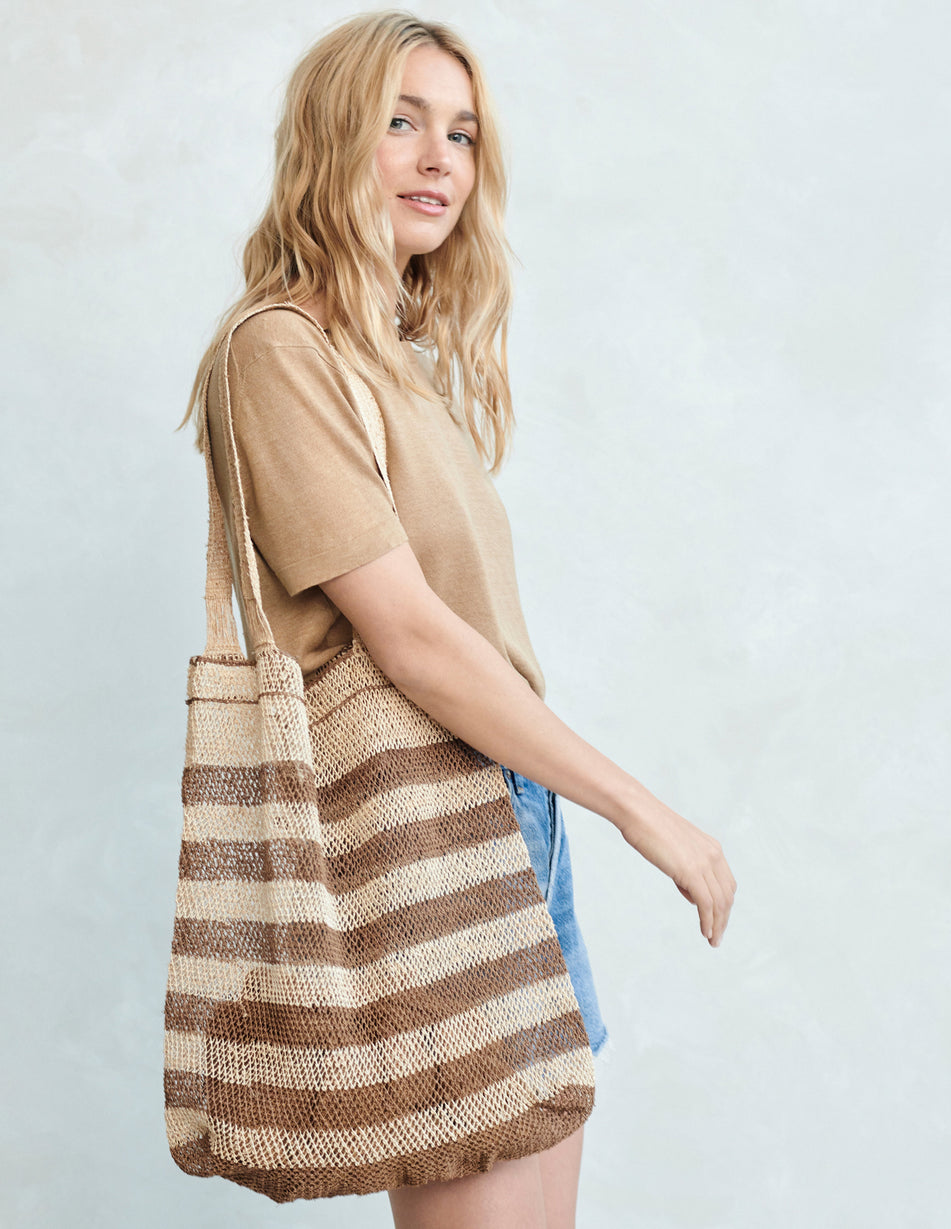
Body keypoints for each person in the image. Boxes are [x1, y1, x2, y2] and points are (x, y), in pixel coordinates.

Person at [182, 11, 736, 1228]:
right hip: (421, 835)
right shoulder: (280, 352)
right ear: (332, 140)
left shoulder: (401, 365)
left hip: (515, 815)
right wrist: (643, 807)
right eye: (401, 122)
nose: (440, 158)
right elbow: (415, 640)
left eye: (463, 132)